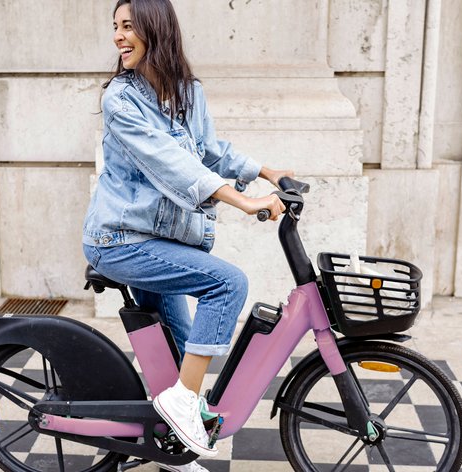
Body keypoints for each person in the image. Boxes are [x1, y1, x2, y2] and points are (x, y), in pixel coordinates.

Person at [82, 0, 292, 469]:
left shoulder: (188, 92)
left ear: (156, 30)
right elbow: (172, 164)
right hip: (119, 240)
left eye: (128, 26)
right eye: (115, 27)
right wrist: (244, 201)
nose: (118, 36)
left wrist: (266, 172)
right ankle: (181, 407)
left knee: (178, 356)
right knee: (228, 284)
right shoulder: (120, 99)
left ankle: (172, 448)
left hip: (163, 242)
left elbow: (210, 152)